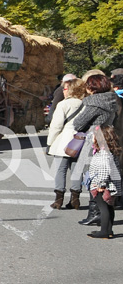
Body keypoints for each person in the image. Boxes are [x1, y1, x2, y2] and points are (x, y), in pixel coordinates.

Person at [73, 74, 121, 226]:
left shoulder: (95, 103)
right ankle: (103, 214)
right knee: (105, 177)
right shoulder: (113, 100)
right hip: (108, 138)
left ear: (92, 87)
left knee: (92, 176)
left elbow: (78, 123)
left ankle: (95, 213)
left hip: (94, 140)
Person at [46, 78, 86, 209]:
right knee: (76, 169)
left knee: (60, 169)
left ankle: (58, 199)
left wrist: (49, 143)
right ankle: (75, 199)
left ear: (70, 90)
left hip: (65, 139)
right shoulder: (85, 104)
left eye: (65, 88)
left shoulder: (63, 104)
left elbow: (56, 126)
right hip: (80, 139)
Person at [85, 125, 121, 239]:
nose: (93, 138)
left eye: (95, 136)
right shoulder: (108, 151)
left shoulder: (104, 154)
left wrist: (101, 185)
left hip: (103, 185)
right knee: (109, 207)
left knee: (103, 207)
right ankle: (108, 230)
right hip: (109, 185)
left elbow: (105, 169)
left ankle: (104, 231)